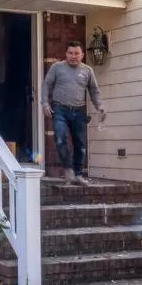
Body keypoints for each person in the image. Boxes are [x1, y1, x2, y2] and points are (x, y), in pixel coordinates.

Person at [41, 40, 104, 184]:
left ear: (82, 55)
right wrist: (45, 103)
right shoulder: (57, 67)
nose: (73, 56)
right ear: (66, 54)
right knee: (60, 139)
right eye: (70, 53)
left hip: (79, 111)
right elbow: (46, 84)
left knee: (80, 145)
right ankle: (68, 170)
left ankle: (78, 174)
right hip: (59, 110)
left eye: (76, 53)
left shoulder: (87, 71)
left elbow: (94, 90)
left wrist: (100, 106)